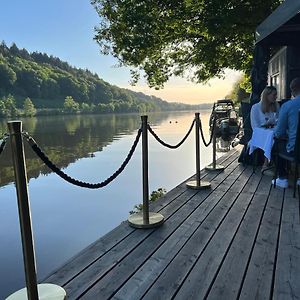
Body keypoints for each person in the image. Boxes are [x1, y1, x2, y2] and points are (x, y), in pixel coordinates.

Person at [271, 77, 300, 188]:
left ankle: (282, 178)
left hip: (296, 151)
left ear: (292, 90)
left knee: (275, 145)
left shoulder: (288, 105)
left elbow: (279, 132)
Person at [250, 86, 279, 171]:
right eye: (274, 95)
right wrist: (266, 124)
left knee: (278, 135)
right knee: (270, 137)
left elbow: (280, 120)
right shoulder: (255, 108)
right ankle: (265, 164)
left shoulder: (276, 106)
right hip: (259, 133)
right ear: (267, 95)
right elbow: (254, 127)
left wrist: (274, 123)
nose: (276, 97)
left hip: (272, 131)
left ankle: (278, 163)